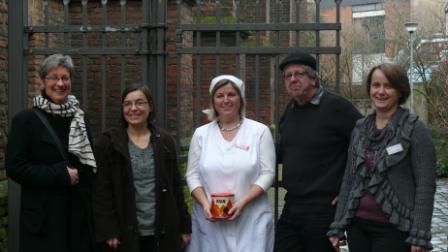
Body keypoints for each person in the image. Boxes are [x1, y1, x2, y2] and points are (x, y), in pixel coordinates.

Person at [327, 63, 437, 252]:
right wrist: (338, 225)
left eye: (388, 86)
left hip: (395, 229)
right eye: (376, 85)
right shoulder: (359, 129)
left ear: (400, 91)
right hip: (358, 226)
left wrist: (419, 235)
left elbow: (425, 186)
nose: (381, 91)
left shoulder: (415, 130)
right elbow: (349, 180)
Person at [5, 54, 96, 251]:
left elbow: (89, 165)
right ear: (43, 81)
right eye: (54, 77)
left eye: (65, 77)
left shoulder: (80, 118)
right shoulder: (25, 121)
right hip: (43, 221)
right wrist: (60, 174)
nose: (60, 83)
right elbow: (15, 168)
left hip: (77, 218)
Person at [274, 53, 362, 252]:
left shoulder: (337, 107)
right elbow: (286, 150)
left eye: (299, 74)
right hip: (292, 205)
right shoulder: (291, 109)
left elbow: (367, 146)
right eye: (288, 76)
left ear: (314, 78)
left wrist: (351, 190)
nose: (293, 79)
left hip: (324, 209)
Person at [92, 84, 191, 252]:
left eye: (139, 103)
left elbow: (176, 188)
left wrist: (184, 226)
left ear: (150, 106)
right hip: (124, 233)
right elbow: (102, 191)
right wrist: (109, 230)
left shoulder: (165, 141)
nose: (133, 108)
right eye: (127, 104)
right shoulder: (109, 143)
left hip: (163, 231)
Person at [185, 75, 276, 252]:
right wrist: (205, 204)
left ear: (240, 99)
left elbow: (268, 173)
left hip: (251, 219)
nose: (226, 100)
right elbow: (192, 175)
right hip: (210, 221)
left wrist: (242, 202)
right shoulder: (201, 134)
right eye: (219, 95)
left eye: (231, 95)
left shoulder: (259, 132)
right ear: (213, 101)